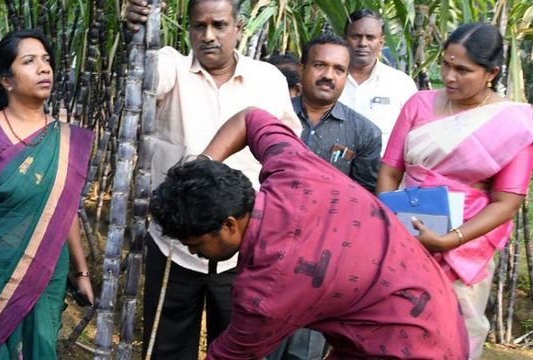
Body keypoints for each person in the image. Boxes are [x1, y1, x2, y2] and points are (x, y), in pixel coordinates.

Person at [150, 107, 470, 359]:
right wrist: (201, 169)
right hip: (438, 313)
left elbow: (227, 356)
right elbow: (251, 119)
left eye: (194, 244)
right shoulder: (292, 169)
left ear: (229, 225)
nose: (192, 252)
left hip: (412, 349)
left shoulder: (267, 290)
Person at [126, 0, 301, 358]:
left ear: (239, 28)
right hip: (176, 243)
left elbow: (287, 153)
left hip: (244, 248)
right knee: (167, 346)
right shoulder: (171, 66)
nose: (208, 36)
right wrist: (136, 32)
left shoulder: (268, 81)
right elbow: (143, 75)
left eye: (219, 26)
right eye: (198, 26)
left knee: (241, 345)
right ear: (188, 28)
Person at [376, 23, 533, 359]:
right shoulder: (419, 104)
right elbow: (390, 170)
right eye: (445, 64)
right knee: (393, 323)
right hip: (406, 234)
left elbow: (508, 200)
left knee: (455, 330)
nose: (449, 76)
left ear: (491, 73)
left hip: (466, 245)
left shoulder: (514, 123)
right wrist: (392, 223)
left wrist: (452, 239)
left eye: (463, 70)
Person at [0, 29, 95, 359]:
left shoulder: (62, 138)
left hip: (47, 271)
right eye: (29, 62)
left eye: (46, 60)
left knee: (41, 346)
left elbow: (63, 208)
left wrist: (81, 271)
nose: (44, 68)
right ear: (7, 80)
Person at [293, 34, 381, 193]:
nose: (328, 76)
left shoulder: (365, 132)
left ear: (346, 77)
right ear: (302, 69)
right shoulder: (274, 115)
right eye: (319, 65)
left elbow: (365, 196)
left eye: (339, 70)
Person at [339, 9, 417, 153]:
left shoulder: (401, 85)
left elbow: (414, 137)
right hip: (329, 171)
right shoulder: (328, 81)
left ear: (381, 42)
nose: (363, 43)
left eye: (370, 37)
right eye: (356, 36)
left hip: (380, 173)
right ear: (345, 39)